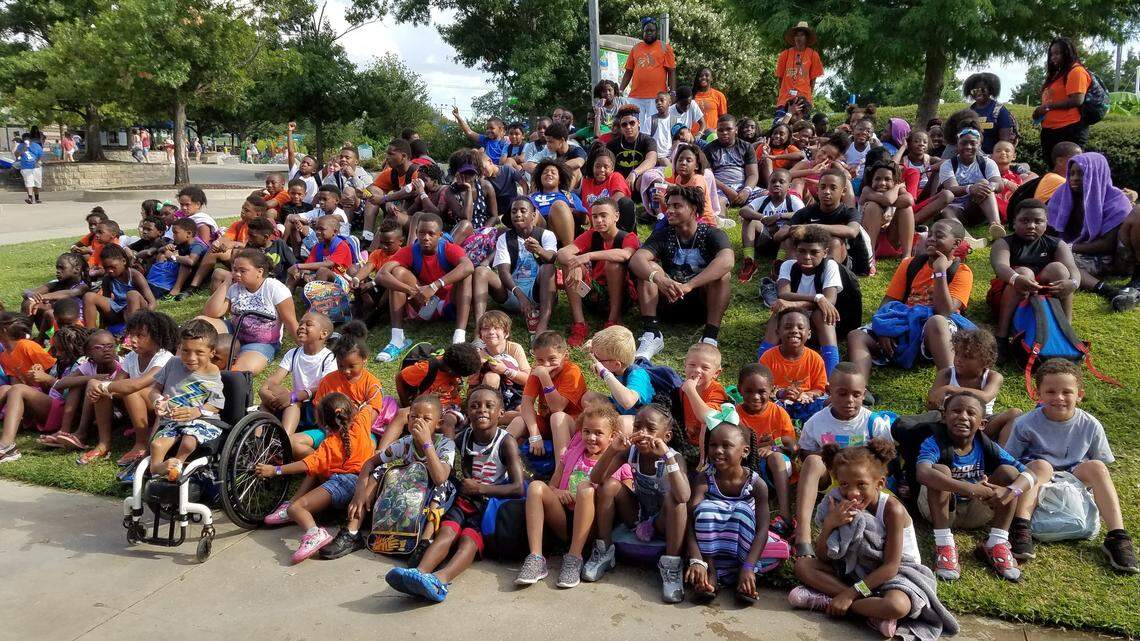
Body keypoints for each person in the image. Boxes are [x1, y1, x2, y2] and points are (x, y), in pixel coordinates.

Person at [789, 439, 956, 640]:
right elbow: (824, 557)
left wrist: (849, 595)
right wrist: (830, 524)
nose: (852, 493)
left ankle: (833, 602)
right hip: (857, 570)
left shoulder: (892, 510)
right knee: (803, 566)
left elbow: (891, 568)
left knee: (897, 606)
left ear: (880, 484)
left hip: (895, 575)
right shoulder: (839, 504)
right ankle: (870, 612)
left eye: (861, 484)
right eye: (844, 484)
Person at [384, 386, 524, 602]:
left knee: (468, 540)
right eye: (475, 406)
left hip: (488, 506)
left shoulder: (506, 442)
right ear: (467, 413)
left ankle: (440, 579)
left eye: (489, 406)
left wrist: (481, 488)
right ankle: (419, 574)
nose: (481, 410)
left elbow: (518, 487)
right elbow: (446, 462)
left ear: (501, 413)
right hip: (464, 500)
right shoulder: (462, 438)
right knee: (447, 532)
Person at [1002, 359, 1137, 573]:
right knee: (1042, 466)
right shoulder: (1025, 423)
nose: (1059, 397)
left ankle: (1117, 536)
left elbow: (1099, 462)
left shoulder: (1090, 424)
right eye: (1051, 391)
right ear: (1038, 394)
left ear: (1079, 395)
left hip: (1074, 480)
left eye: (1067, 392)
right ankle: (1020, 526)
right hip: (1038, 480)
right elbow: (1011, 461)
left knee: (1097, 467)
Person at [916, 390, 1034, 582]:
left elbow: (1031, 474)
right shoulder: (934, 442)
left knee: (1010, 473)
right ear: (944, 417)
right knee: (940, 471)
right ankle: (944, 544)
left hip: (977, 511)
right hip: (942, 510)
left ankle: (996, 542)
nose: (963, 417)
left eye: (971, 413)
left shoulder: (986, 445)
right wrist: (970, 489)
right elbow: (922, 472)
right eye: (956, 411)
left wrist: (1010, 491)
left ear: (982, 424)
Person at [514, 405, 633, 588]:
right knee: (536, 487)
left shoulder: (619, 464)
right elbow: (552, 486)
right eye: (587, 431)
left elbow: (624, 500)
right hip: (564, 520)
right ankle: (536, 558)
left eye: (598, 433)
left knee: (586, 489)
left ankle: (574, 558)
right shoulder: (571, 455)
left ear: (612, 436)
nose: (591, 437)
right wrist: (559, 492)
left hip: (591, 528)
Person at [580, 404, 690, 601]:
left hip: (665, 522)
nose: (642, 433)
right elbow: (596, 479)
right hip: (638, 515)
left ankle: (672, 566)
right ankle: (604, 551)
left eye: (650, 429)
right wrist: (612, 450)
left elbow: (683, 497)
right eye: (637, 427)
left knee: (674, 499)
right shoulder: (630, 452)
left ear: (666, 436)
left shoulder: (674, 458)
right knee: (608, 486)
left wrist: (667, 457)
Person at [847, 219, 974, 383]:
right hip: (905, 325)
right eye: (930, 234)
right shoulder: (910, 264)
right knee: (856, 336)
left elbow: (944, 311)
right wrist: (884, 328)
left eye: (939, 236)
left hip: (938, 333)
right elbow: (888, 302)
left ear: (956, 243)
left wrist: (940, 272)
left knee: (936, 321)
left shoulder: (962, 272)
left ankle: (951, 384)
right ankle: (858, 386)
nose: (931, 239)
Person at [256, 392, 377, 563]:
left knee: (295, 509)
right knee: (318, 470)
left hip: (342, 484)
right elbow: (371, 403)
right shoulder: (362, 422)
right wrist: (361, 406)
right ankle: (314, 514)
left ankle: (315, 533)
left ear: (324, 422)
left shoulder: (329, 445)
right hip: (361, 483)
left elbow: (306, 464)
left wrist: (275, 470)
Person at [336, 394, 457, 558]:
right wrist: (359, 492)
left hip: (430, 496)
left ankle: (425, 541)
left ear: (439, 424)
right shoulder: (405, 443)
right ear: (408, 419)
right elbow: (370, 463)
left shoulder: (446, 444)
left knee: (443, 485)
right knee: (380, 470)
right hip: (406, 495)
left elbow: (440, 478)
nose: (419, 422)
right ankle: (352, 531)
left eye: (426, 419)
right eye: (414, 417)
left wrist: (426, 443)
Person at [790, 362, 892, 555]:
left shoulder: (873, 423)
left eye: (856, 394)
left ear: (864, 393)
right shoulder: (816, 422)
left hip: (864, 484)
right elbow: (806, 454)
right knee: (812, 461)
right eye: (842, 394)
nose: (850, 400)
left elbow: (885, 459)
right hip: (831, 480)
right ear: (829, 391)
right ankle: (803, 533)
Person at [631, 185, 733, 360]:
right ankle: (652, 332)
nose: (669, 210)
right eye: (669, 205)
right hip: (669, 298)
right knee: (648, 270)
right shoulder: (663, 234)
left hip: (702, 303)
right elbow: (637, 260)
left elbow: (727, 260)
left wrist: (690, 285)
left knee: (722, 275)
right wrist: (661, 280)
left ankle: (709, 337)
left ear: (693, 209)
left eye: (677, 206)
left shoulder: (712, 234)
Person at [701, 364, 798, 538]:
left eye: (761, 391)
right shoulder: (733, 415)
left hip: (773, 470)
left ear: (772, 390)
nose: (755, 397)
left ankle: (785, 516)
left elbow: (791, 445)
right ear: (740, 389)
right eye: (749, 391)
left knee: (776, 458)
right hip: (745, 467)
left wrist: (773, 447)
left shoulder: (778, 412)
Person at [684, 421, 770, 603]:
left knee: (742, 510)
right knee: (704, 510)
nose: (718, 450)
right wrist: (697, 560)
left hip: (743, 552)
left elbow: (763, 529)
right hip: (710, 553)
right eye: (713, 445)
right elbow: (690, 520)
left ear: (744, 451)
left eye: (726, 445)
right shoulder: (704, 479)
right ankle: (711, 573)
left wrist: (749, 567)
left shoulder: (756, 484)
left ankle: (743, 577)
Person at [83, 310, 179, 469]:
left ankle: (141, 443)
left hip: (159, 407)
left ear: (157, 336)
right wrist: (99, 387)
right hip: (134, 406)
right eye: (131, 335)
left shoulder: (165, 357)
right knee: (103, 392)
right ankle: (104, 443)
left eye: (140, 336)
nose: (133, 340)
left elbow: (137, 384)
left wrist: (101, 385)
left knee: (129, 390)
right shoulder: (131, 357)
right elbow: (117, 383)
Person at [1046, 152, 1140, 311]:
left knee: (1138, 212)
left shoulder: (1116, 199)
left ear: (1097, 174)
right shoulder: (1061, 195)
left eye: (1081, 174)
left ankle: (1138, 278)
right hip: (1084, 257)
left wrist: (1068, 247)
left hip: (1118, 256)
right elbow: (1049, 231)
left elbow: (1107, 244)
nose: (1074, 178)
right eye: (1072, 173)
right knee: (1057, 262)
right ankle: (1110, 291)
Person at [988, 200, 1081, 359]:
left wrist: (1073, 283)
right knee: (1024, 272)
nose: (1031, 226)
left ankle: (1065, 329)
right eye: (1025, 221)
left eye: (1038, 221)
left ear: (1046, 223)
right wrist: (1016, 278)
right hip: (1009, 294)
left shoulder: (1057, 244)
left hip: (1041, 295)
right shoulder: (1004, 243)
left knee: (1059, 270)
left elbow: (1073, 269)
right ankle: (1002, 335)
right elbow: (1000, 266)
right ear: (1014, 223)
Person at [375, 213, 475, 360]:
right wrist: (412, 290)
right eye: (421, 233)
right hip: (424, 304)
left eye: (431, 234)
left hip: (450, 304)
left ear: (440, 235)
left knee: (466, 274)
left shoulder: (449, 248)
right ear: (416, 233)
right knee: (397, 272)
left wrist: (434, 286)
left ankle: (459, 338)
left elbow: (469, 266)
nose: (425, 237)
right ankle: (397, 339)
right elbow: (381, 275)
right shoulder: (410, 251)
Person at [142, 320, 225, 481]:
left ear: (212, 352)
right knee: (157, 445)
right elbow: (154, 390)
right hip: (173, 420)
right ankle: (155, 467)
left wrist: (196, 411)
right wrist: (158, 401)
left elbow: (216, 404)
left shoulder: (212, 373)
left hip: (201, 420)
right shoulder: (173, 363)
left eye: (199, 352)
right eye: (185, 350)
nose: (191, 358)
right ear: (180, 347)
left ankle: (177, 465)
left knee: (188, 442)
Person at [198, 248, 299, 374]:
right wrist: (226, 282)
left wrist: (307, 349)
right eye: (235, 270)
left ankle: (213, 372)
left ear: (259, 272)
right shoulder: (235, 288)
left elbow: (290, 321)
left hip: (262, 342)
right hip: (234, 331)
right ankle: (188, 358)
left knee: (241, 370)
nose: (237, 274)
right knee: (200, 323)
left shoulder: (275, 288)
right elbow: (212, 312)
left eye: (242, 271)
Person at [759, 226, 844, 372]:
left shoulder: (830, 266)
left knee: (822, 313)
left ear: (825, 253)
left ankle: (831, 373)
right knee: (780, 310)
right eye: (802, 251)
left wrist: (802, 303)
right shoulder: (788, 265)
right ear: (794, 250)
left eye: (814, 252)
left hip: (828, 322)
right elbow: (783, 295)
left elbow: (829, 301)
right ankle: (761, 368)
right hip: (796, 319)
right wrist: (817, 298)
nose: (807, 257)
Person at [558, 198, 640, 344]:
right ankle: (580, 324)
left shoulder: (628, 237)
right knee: (568, 264)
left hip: (622, 297)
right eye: (595, 216)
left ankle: (613, 320)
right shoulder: (592, 234)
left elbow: (625, 254)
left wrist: (589, 255)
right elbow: (563, 253)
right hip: (594, 293)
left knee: (613, 264)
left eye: (603, 215)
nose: (599, 220)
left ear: (616, 216)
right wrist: (576, 265)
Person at [473, 197, 557, 336]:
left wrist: (539, 250)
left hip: (538, 294)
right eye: (514, 211)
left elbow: (552, 258)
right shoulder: (504, 238)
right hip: (512, 293)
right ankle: (479, 328)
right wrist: (520, 297)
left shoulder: (546, 235)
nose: (518, 214)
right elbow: (503, 272)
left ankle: (542, 325)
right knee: (481, 271)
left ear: (533, 215)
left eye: (523, 211)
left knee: (548, 267)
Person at [258, 312, 337, 454]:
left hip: (314, 408)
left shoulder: (329, 358)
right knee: (266, 403)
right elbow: (274, 380)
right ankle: (257, 441)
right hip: (295, 404)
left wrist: (294, 396)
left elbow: (323, 386)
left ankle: (284, 444)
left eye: (308, 324)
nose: (301, 326)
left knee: (292, 402)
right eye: (301, 323)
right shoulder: (293, 353)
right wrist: (264, 390)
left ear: (323, 334)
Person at [507, 330, 586, 465]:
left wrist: (544, 376)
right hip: (547, 423)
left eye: (552, 359)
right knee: (518, 421)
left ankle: (560, 471)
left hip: (572, 426)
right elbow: (526, 403)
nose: (546, 365)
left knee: (557, 417)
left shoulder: (572, 371)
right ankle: (495, 459)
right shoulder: (537, 370)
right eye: (540, 360)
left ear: (565, 356)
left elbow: (557, 408)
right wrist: (535, 434)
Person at [776, 168, 864, 269]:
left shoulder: (849, 212)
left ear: (843, 191)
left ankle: (830, 277)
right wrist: (792, 230)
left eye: (833, 188)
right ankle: (786, 272)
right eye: (823, 187)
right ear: (817, 190)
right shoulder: (807, 211)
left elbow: (852, 231)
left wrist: (811, 228)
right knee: (788, 239)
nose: (827, 191)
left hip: (841, 258)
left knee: (835, 241)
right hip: (810, 254)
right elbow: (778, 236)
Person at [394, 342, 483, 439]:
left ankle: (449, 447)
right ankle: (383, 447)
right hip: (425, 406)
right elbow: (399, 377)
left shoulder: (454, 365)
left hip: (449, 408)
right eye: (459, 375)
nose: (459, 377)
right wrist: (406, 403)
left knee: (448, 421)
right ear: (451, 371)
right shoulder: (425, 368)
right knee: (402, 414)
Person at [937, 127, 1006, 241]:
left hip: (978, 207)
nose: (968, 147)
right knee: (946, 211)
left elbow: (999, 184)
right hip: (956, 209)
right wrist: (970, 188)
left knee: (984, 184)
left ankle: (996, 226)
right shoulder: (948, 165)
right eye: (963, 143)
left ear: (979, 146)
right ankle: (965, 237)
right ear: (957, 145)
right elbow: (951, 189)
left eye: (973, 143)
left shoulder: (987, 162)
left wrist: (990, 187)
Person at [739, 169, 805, 282]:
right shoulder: (762, 200)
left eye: (781, 182)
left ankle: (779, 263)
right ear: (768, 185)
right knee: (749, 221)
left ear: (789, 187)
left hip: (784, 243)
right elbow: (743, 210)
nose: (777, 184)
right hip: (764, 240)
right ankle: (749, 261)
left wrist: (779, 216)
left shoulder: (793, 200)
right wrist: (763, 217)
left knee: (790, 227)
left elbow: (803, 214)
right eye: (773, 181)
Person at [1035, 37, 1092, 166]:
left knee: (1068, 170)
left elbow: (1077, 100)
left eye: (1057, 53)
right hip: (1050, 130)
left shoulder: (1076, 71)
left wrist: (1048, 106)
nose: (1053, 58)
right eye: (1051, 54)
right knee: (1054, 170)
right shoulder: (1057, 74)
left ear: (1067, 53)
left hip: (1069, 129)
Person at [581, 325, 654, 424]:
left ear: (616, 365)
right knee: (588, 398)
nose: (595, 362)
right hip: (619, 409)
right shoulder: (615, 368)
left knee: (622, 422)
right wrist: (594, 348)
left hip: (641, 421)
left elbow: (627, 402)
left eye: (598, 359)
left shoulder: (638, 375)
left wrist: (606, 374)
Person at [468, 310, 530, 422]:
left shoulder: (514, 348)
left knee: (525, 415)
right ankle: (488, 414)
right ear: (480, 334)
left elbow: (528, 379)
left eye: (497, 328)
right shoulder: (478, 354)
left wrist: (506, 370)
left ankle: (493, 419)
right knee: (491, 377)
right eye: (486, 328)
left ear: (506, 333)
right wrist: (478, 366)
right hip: (487, 399)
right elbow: (471, 389)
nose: (491, 332)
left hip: (515, 395)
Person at [619, 17, 676, 132]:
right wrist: (620, 89)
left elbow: (671, 72)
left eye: (652, 31)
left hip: (656, 97)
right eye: (646, 31)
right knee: (634, 126)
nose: (649, 33)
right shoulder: (636, 48)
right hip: (636, 97)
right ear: (643, 32)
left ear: (657, 32)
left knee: (653, 128)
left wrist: (673, 93)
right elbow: (629, 71)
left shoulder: (665, 47)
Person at [676, 342, 729, 465]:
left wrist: (691, 391)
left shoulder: (716, 391)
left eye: (705, 368)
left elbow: (707, 418)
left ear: (716, 373)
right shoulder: (683, 388)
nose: (697, 370)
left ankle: (703, 463)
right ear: (685, 365)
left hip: (711, 445)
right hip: (688, 439)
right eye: (692, 365)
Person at [82, 245, 156, 330]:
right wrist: (103, 327)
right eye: (106, 268)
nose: (109, 270)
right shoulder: (107, 279)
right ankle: (91, 331)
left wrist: (147, 319)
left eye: (112, 267)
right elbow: (105, 306)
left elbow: (152, 303)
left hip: (138, 311)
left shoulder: (135, 275)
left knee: (132, 295)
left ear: (123, 261)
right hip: (119, 310)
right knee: (89, 296)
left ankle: (132, 331)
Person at [362, 139, 420, 244]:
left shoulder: (416, 172)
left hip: (415, 219)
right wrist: (362, 193)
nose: (387, 158)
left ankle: (371, 250)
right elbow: (368, 189)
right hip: (397, 210)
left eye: (391, 154)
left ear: (403, 156)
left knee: (393, 215)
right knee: (373, 191)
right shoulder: (391, 173)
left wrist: (385, 199)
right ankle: (367, 236)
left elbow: (410, 192)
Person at [22, 253, 89, 338]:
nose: (58, 271)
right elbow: (26, 292)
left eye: (62, 268)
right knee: (29, 302)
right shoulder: (55, 284)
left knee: (49, 312)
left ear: (76, 269)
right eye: (57, 268)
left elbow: (69, 293)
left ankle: (41, 340)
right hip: (52, 328)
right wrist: (32, 295)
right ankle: (24, 337)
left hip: (74, 328)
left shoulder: (82, 287)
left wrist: (42, 297)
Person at [860, 159, 917, 260]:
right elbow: (888, 199)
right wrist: (897, 188)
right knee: (873, 206)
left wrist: (896, 188)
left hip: (891, 239)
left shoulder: (897, 189)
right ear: (871, 181)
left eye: (887, 179)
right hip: (870, 241)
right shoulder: (867, 191)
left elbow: (909, 200)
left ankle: (906, 257)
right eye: (877, 179)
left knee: (906, 208)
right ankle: (869, 257)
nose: (882, 183)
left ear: (894, 182)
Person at [284, 215, 354, 292]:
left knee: (322, 271)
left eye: (322, 229)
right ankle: (286, 297)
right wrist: (304, 275)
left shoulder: (341, 245)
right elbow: (308, 266)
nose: (317, 232)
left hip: (343, 281)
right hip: (321, 278)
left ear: (335, 231)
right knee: (294, 272)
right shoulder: (318, 247)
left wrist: (298, 266)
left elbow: (328, 264)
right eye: (316, 229)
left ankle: (318, 298)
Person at [705, 114, 760, 211]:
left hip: (743, 185)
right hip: (720, 188)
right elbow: (708, 176)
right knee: (718, 202)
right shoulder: (709, 149)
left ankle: (758, 215)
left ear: (736, 130)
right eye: (720, 130)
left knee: (766, 195)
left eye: (728, 129)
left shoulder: (746, 146)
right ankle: (720, 219)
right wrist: (727, 190)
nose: (724, 133)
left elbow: (753, 174)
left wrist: (746, 190)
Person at [528, 158, 587, 247]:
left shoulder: (569, 196)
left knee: (559, 205)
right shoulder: (531, 197)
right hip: (539, 228)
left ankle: (568, 250)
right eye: (545, 172)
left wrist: (569, 210)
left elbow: (585, 220)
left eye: (553, 172)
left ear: (559, 180)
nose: (549, 174)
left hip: (559, 229)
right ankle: (529, 249)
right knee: (528, 208)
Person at [150, 218, 208, 301]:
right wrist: (165, 248)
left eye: (175, 233)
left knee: (185, 263)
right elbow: (160, 251)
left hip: (196, 276)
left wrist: (173, 256)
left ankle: (175, 291)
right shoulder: (180, 243)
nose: (173, 236)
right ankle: (157, 281)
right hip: (183, 274)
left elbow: (191, 261)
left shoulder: (197, 246)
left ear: (188, 234)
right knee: (161, 255)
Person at [579, 146, 636, 232]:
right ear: (593, 167)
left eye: (606, 167)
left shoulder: (615, 176)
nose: (601, 170)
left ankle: (625, 237)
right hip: (596, 228)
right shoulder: (586, 182)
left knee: (625, 202)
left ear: (612, 169)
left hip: (616, 226)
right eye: (597, 166)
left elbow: (619, 195)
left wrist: (602, 211)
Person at [775, 21, 824, 112]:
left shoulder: (813, 55)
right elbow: (780, 78)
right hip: (785, 100)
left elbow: (813, 80)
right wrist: (782, 93)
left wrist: (807, 96)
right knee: (781, 121)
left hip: (803, 100)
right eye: (797, 35)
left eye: (802, 35)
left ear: (806, 38)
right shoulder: (785, 54)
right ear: (794, 38)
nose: (799, 38)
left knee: (801, 122)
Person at [963, 72, 1016, 155]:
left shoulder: (1000, 111)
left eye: (982, 90)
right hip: (970, 155)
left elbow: (1004, 143)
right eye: (974, 91)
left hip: (993, 157)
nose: (978, 93)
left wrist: (992, 158)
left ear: (991, 90)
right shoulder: (968, 112)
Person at [285, 122, 320, 204]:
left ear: (314, 170)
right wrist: (290, 131)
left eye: (308, 164)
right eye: (303, 162)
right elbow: (291, 152)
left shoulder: (313, 181)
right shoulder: (294, 173)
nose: (304, 164)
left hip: (306, 208)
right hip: (290, 206)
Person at [692, 68, 727, 137]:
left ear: (711, 78)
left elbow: (723, 118)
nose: (703, 77)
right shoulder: (691, 95)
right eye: (701, 76)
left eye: (707, 75)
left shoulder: (719, 95)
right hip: (693, 136)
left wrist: (717, 131)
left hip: (712, 135)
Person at [14, 133, 44, 204]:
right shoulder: (21, 146)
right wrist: (23, 148)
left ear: (31, 139)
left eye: (27, 138)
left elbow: (41, 155)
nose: (26, 140)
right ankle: (30, 198)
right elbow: (16, 155)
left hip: (36, 167)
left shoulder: (36, 146)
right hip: (26, 167)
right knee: (29, 182)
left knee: (37, 184)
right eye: (24, 138)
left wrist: (38, 162)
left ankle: (37, 198)